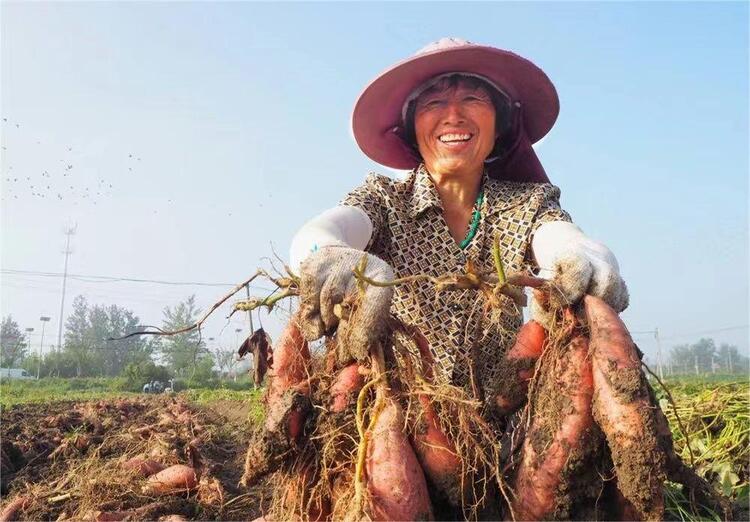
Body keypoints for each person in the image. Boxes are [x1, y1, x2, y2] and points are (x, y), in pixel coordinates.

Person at [289, 37, 628, 400]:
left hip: (505, 416)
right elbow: (322, 232)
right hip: (395, 406)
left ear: (500, 125)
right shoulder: (384, 200)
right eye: (434, 102)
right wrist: (328, 255)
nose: (453, 115)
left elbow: (559, 237)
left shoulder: (526, 204)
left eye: (472, 98)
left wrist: (583, 254)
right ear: (411, 128)